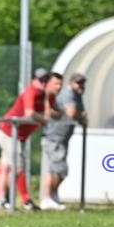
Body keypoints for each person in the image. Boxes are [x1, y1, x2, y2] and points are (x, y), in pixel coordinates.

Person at [0, 72, 63, 211]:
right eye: (55, 84)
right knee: (17, 167)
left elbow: (55, 114)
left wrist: (47, 106)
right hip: (9, 132)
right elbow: (29, 112)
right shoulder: (32, 92)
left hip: (20, 135)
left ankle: (1, 200)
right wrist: (43, 120)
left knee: (6, 166)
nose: (58, 87)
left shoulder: (47, 96)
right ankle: (6, 200)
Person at [40, 72, 87, 210]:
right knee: (59, 169)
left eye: (82, 83)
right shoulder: (68, 94)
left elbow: (81, 114)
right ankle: (47, 198)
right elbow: (71, 113)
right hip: (54, 137)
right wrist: (80, 117)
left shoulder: (78, 96)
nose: (80, 86)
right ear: (71, 83)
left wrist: (81, 116)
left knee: (57, 170)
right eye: (78, 83)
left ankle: (52, 197)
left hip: (62, 138)